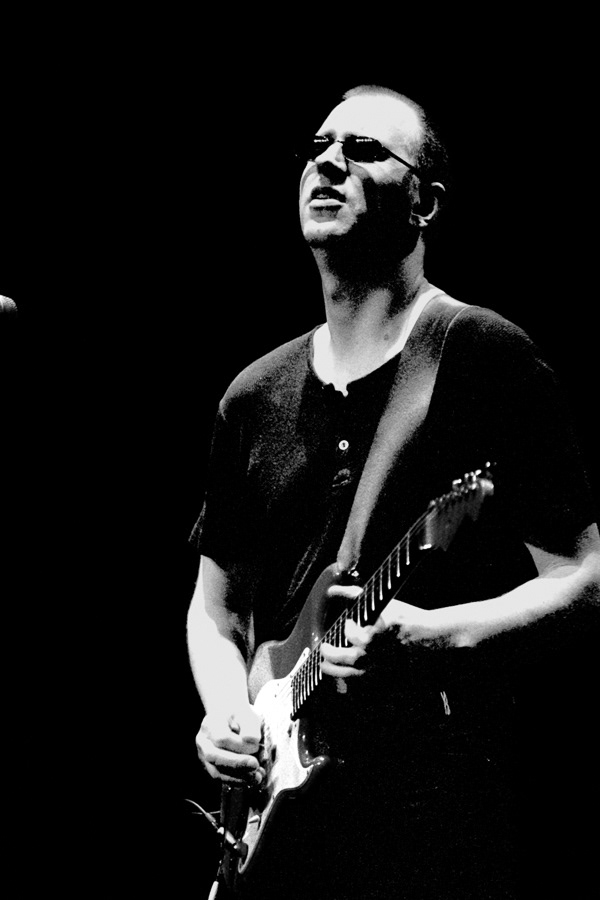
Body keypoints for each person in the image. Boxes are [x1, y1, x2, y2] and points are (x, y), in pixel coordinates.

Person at [186, 85, 599, 899]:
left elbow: (585, 579)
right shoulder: (252, 396)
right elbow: (215, 610)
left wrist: (436, 637)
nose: (329, 163)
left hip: (434, 821)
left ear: (425, 203)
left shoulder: (483, 357)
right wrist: (229, 713)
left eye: (366, 150)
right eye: (318, 147)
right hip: (285, 833)